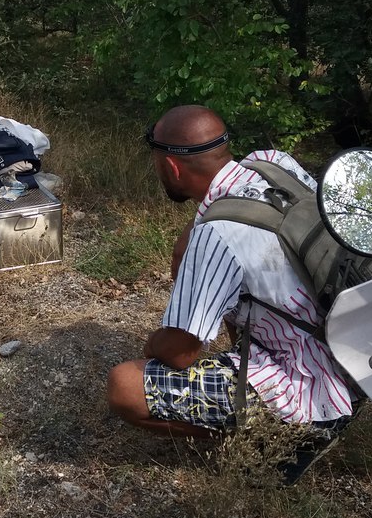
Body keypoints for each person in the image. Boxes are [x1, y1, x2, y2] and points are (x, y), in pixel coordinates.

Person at [107, 105, 354, 447]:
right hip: (353, 349)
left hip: (309, 382)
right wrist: (186, 248)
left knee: (125, 386)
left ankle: (274, 438)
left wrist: (154, 342)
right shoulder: (273, 162)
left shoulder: (218, 235)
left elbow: (180, 354)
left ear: (173, 167)